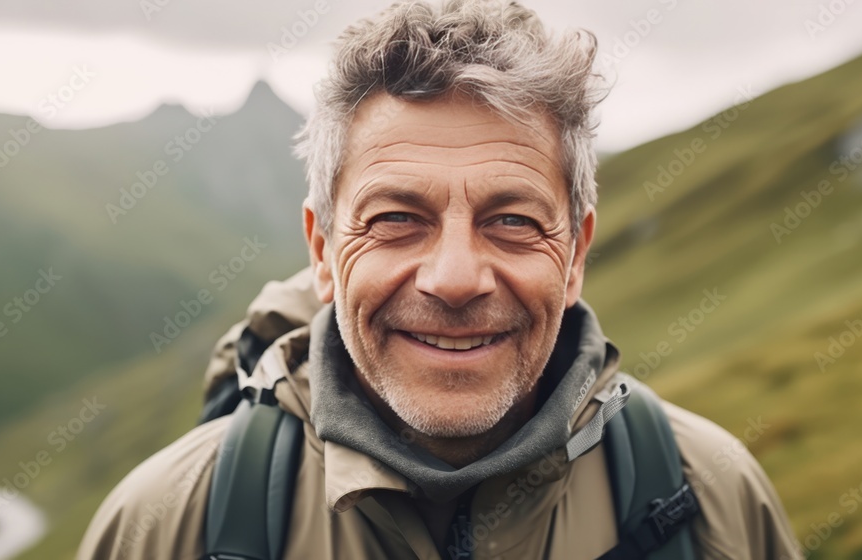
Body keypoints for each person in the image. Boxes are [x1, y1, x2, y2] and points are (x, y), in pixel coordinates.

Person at [78, 1, 799, 558]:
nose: (455, 279)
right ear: (323, 252)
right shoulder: (165, 522)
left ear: (575, 255)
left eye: (512, 220)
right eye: (397, 217)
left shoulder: (713, 499)